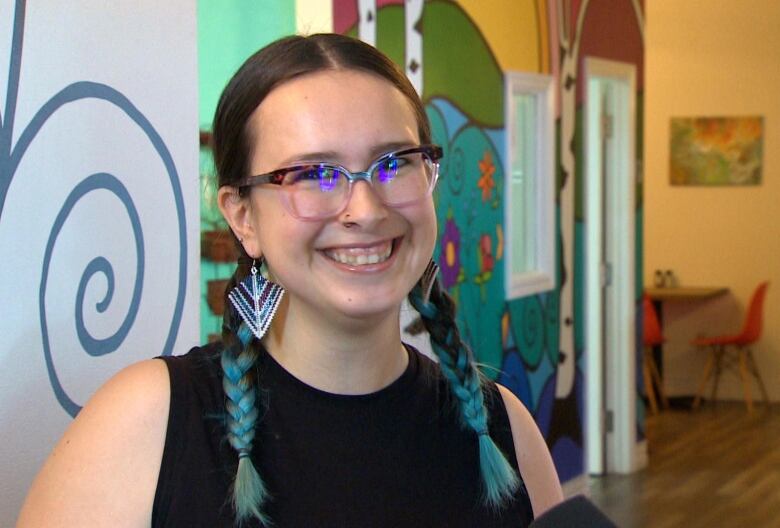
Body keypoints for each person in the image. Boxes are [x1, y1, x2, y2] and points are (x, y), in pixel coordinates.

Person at [18, 33, 562, 527]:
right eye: (315, 174)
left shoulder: (503, 430)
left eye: (395, 163)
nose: (366, 210)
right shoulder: (148, 424)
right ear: (243, 216)